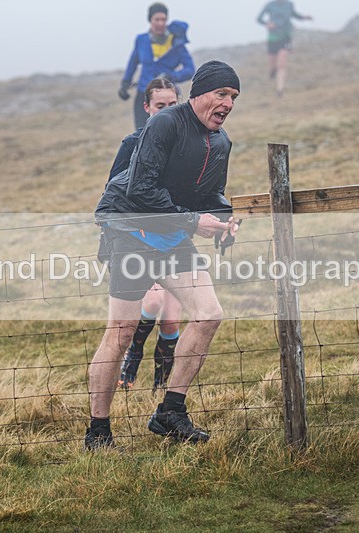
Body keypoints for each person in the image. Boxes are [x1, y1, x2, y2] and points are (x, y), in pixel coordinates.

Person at [87, 60, 242, 449]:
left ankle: (170, 411)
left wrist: (224, 221)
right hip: (131, 233)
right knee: (121, 333)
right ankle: (98, 432)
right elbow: (141, 189)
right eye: (221, 94)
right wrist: (192, 223)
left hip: (171, 236)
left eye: (234, 97)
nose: (227, 103)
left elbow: (211, 196)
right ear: (200, 94)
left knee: (209, 314)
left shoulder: (221, 141)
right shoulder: (166, 123)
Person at [107, 76, 184, 393]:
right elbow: (113, 195)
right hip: (138, 240)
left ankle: (162, 388)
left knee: (172, 320)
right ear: (147, 108)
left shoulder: (187, 144)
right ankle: (133, 355)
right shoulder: (132, 144)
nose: (166, 112)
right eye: (160, 106)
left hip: (178, 239)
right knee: (150, 302)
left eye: (172, 105)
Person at [118, 3, 195, 129]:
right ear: (150, 20)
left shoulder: (176, 43)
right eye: (157, 19)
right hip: (143, 93)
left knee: (169, 133)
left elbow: (190, 69)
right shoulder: (141, 40)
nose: (160, 23)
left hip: (167, 96)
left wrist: (171, 76)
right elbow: (133, 62)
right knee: (141, 133)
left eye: (163, 19)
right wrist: (125, 83)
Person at [256, 0, 312, 97]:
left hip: (286, 36)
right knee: (273, 64)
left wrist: (304, 17)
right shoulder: (270, 5)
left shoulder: (289, 4)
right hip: (273, 37)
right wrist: (267, 24)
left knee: (282, 63)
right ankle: (272, 71)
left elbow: (294, 14)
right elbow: (259, 19)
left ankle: (280, 89)